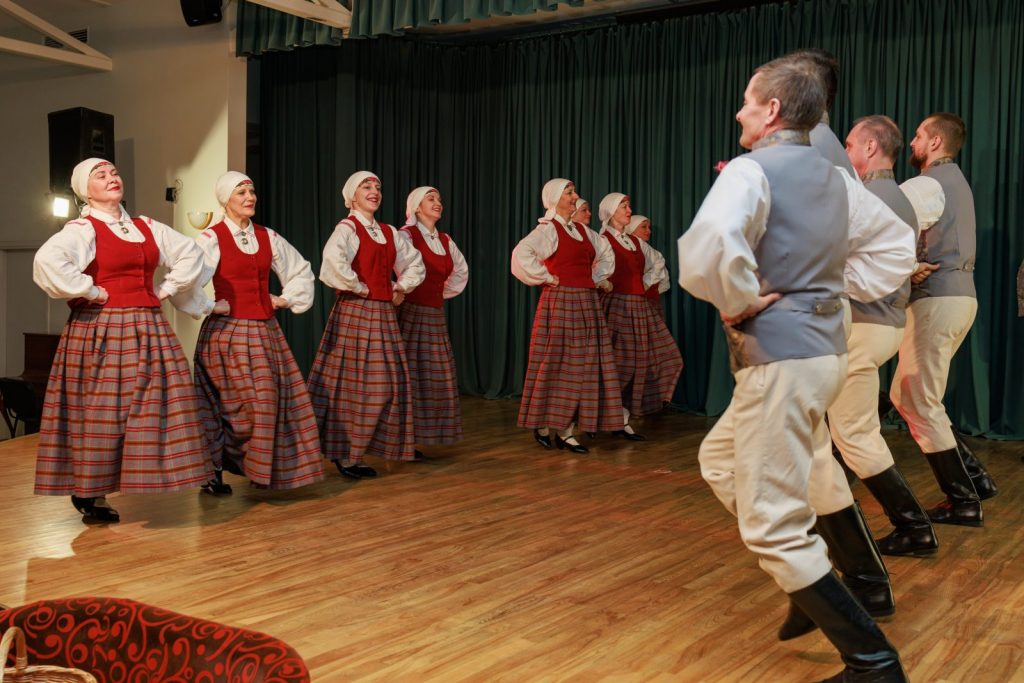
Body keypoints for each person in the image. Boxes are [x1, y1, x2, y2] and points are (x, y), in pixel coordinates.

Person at [677, 58, 914, 681]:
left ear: (773, 110)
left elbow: (706, 249)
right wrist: (829, 289)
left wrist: (739, 300)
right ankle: (807, 581)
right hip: (824, 354)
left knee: (771, 524)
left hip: (782, 360)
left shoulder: (752, 169)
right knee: (719, 460)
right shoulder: (837, 179)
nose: (740, 112)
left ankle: (872, 662)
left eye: (747, 101)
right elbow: (896, 247)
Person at [33, 158, 211, 523]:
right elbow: (47, 262)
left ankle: (145, 474)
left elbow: (191, 253)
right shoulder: (82, 229)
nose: (111, 178)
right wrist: (93, 291)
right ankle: (91, 489)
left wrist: (166, 289)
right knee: (104, 411)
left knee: (155, 406)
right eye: (100, 175)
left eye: (114, 173)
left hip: (149, 326)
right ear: (85, 191)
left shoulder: (146, 226)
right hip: (102, 328)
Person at [828, 117, 940, 557]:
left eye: (850, 144)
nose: (845, 151)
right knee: (847, 431)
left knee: (854, 434)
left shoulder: (869, 197)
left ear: (871, 147)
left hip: (864, 323)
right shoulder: (900, 198)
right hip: (885, 322)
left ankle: (914, 527)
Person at [174, 171, 324, 493]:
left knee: (268, 402)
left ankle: (260, 468)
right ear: (225, 199)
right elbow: (184, 281)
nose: (250, 197)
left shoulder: (267, 236)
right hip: (228, 333)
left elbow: (300, 270)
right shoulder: (212, 238)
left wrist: (285, 299)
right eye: (241, 192)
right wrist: (210, 305)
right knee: (233, 405)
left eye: (251, 191)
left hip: (266, 332)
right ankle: (213, 470)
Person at [890, 113, 998, 525]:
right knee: (912, 396)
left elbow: (884, 233)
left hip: (938, 299)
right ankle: (976, 479)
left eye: (919, 135)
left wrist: (908, 266)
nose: (912, 142)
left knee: (918, 398)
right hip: (958, 298)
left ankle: (964, 500)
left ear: (935, 142)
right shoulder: (956, 182)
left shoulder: (927, 184)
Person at [308, 171, 425, 479]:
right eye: (366, 186)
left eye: (377, 187)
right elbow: (332, 263)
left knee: (384, 385)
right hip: (356, 312)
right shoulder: (347, 228)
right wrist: (359, 287)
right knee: (353, 385)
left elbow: (414, 263)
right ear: (352, 196)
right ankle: (347, 454)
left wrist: (401, 286)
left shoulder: (389, 231)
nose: (374, 191)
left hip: (383, 314)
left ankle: (358, 449)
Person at [511, 178, 623, 454]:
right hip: (561, 302)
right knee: (558, 365)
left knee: (583, 367)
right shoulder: (549, 229)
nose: (575, 197)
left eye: (574, 192)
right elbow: (521, 254)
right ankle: (547, 425)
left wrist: (595, 278)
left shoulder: (584, 232)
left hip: (586, 302)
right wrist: (547, 277)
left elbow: (606, 254)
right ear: (554, 198)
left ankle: (565, 430)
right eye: (569, 193)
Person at [598, 194, 682, 437]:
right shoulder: (602, 240)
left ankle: (621, 417)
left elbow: (657, 264)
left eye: (628, 206)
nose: (629, 210)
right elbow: (591, 266)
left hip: (638, 304)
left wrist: (643, 285)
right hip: (617, 306)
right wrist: (603, 282)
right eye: (624, 207)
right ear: (611, 212)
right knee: (621, 364)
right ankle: (614, 420)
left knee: (662, 358)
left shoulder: (633, 242)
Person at [397, 186, 469, 454]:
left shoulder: (445, 240)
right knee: (410, 376)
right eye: (430, 199)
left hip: (434, 314)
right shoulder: (406, 235)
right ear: (416, 207)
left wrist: (438, 292)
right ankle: (402, 438)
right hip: (410, 313)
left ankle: (419, 436)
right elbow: (394, 267)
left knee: (434, 378)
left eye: (439, 199)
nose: (438, 202)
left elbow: (460, 272)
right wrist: (403, 290)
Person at [625, 214, 670, 317]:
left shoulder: (647, 248)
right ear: (631, 228)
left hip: (647, 297)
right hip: (637, 296)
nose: (649, 231)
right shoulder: (635, 244)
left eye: (648, 228)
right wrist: (646, 283)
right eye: (644, 227)